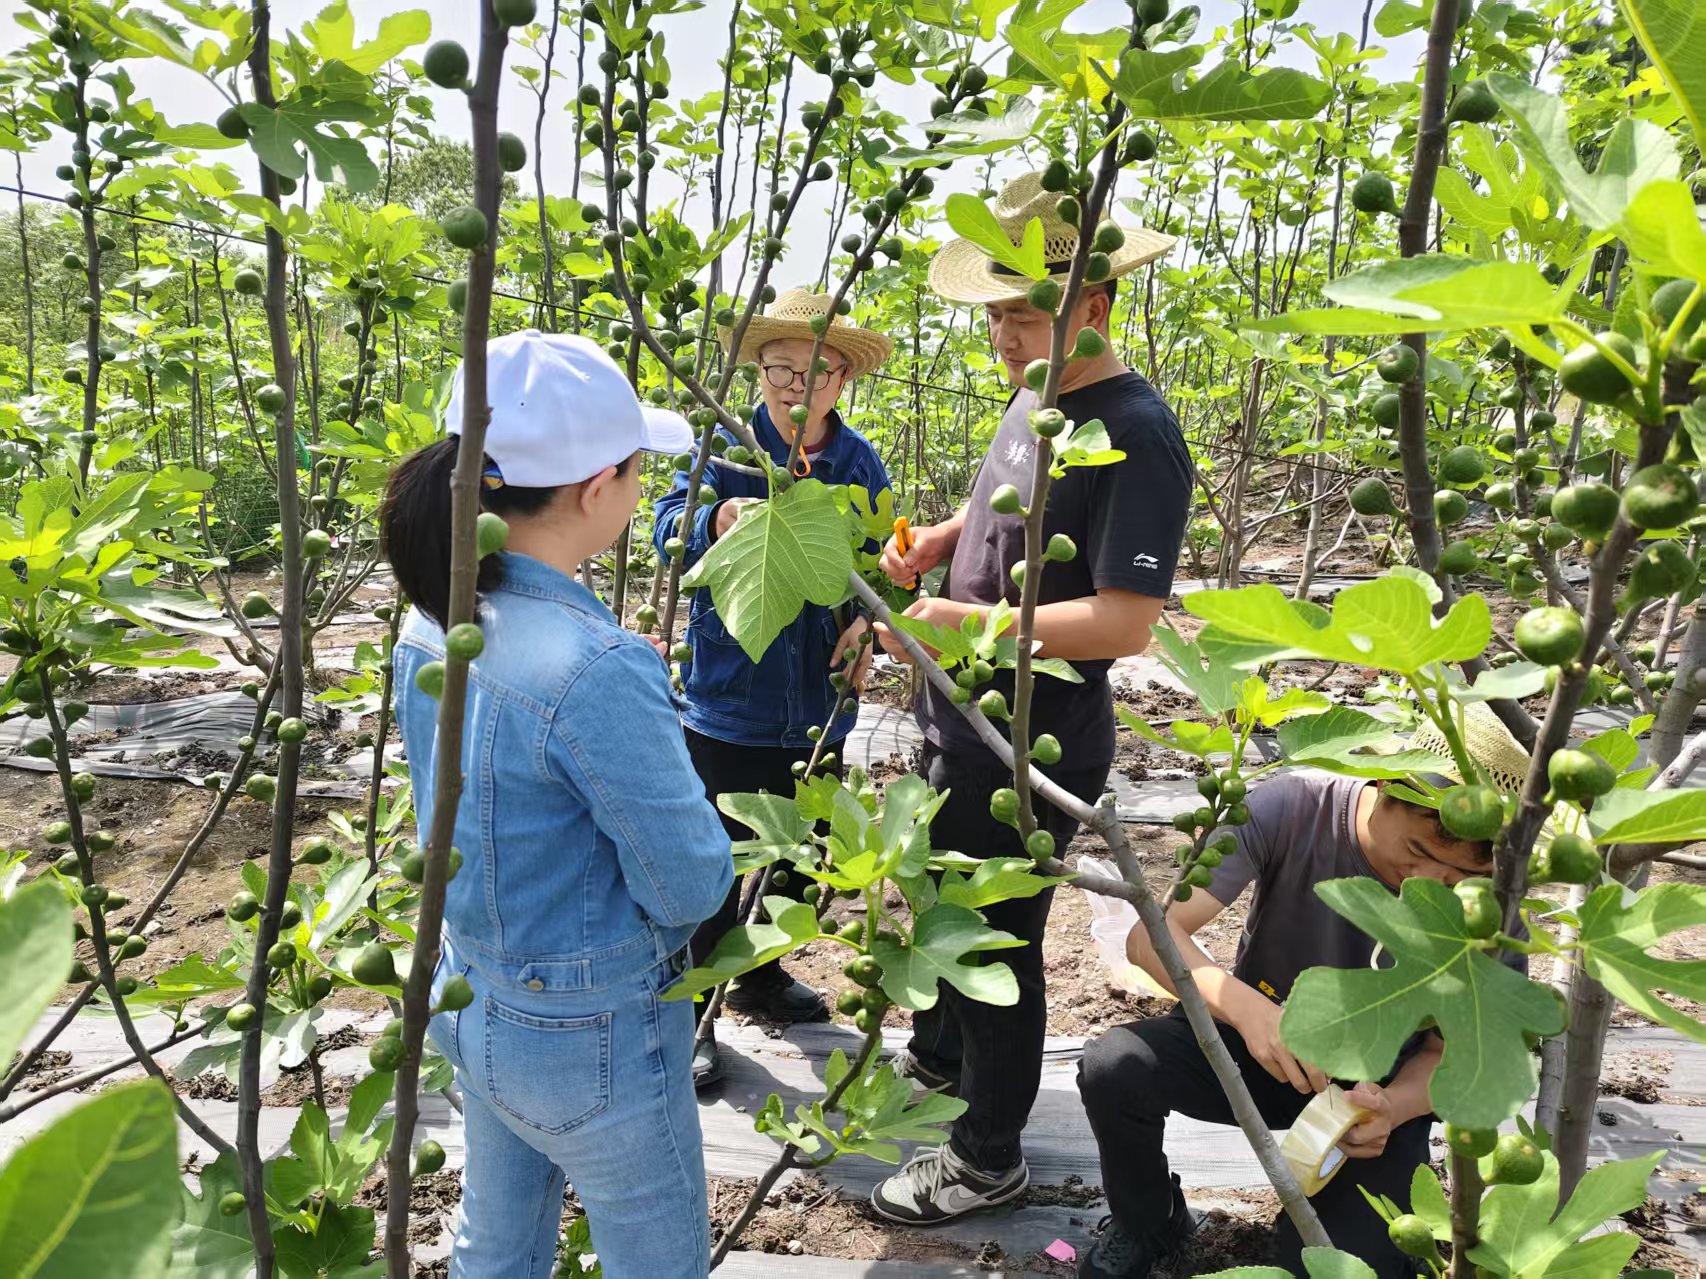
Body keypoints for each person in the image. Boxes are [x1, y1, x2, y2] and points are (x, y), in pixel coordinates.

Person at [869, 172, 1190, 1225]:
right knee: (949, 913)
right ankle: (946, 1057)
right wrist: (937, 544)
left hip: (1032, 745)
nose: (1005, 335)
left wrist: (970, 629)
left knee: (998, 938)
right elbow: (999, 508)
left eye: (1025, 313)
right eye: (997, 313)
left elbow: (1122, 621)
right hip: (960, 719)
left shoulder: (1135, 429)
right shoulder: (1037, 397)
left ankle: (985, 1153)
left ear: (1091, 306)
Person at [385, 330, 734, 1279]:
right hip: (597, 1033)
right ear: (596, 490)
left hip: (477, 997)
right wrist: (624, 695)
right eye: (635, 473)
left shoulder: (433, 625)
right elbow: (691, 881)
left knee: (493, 1248)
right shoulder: (597, 668)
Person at [1074, 709, 1533, 1279]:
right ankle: (1149, 1222)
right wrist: (1251, 1013)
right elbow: (1152, 935)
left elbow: (1453, 1056)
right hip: (1257, 1043)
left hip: (1373, 1095)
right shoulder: (1293, 808)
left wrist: (1396, 1108)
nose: (1429, 883)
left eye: (1458, 876)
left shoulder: (1489, 909)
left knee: (1344, 1267)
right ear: (1387, 788)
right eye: (1418, 852)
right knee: (1117, 1067)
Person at [655, 288, 894, 1087]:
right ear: (757, 369)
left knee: (802, 855)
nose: (797, 385)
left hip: (820, 702)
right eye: (780, 367)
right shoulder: (724, 447)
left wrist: (873, 622)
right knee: (712, 865)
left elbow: (878, 560)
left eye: (816, 370)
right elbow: (664, 525)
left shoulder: (859, 463)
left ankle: (758, 974)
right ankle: (695, 1014)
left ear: (842, 379)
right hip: (728, 697)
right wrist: (713, 519)